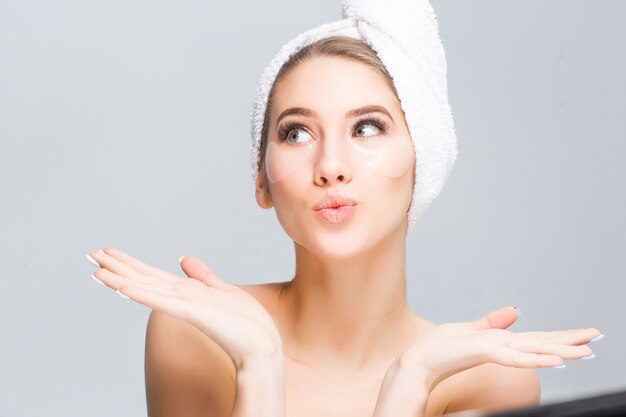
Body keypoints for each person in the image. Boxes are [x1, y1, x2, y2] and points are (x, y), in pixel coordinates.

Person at [85, 3, 603, 417]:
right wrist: (260, 369)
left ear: (426, 159)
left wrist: (411, 381)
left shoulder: (486, 377)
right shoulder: (196, 334)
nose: (331, 166)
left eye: (367, 128)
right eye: (297, 132)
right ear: (261, 180)